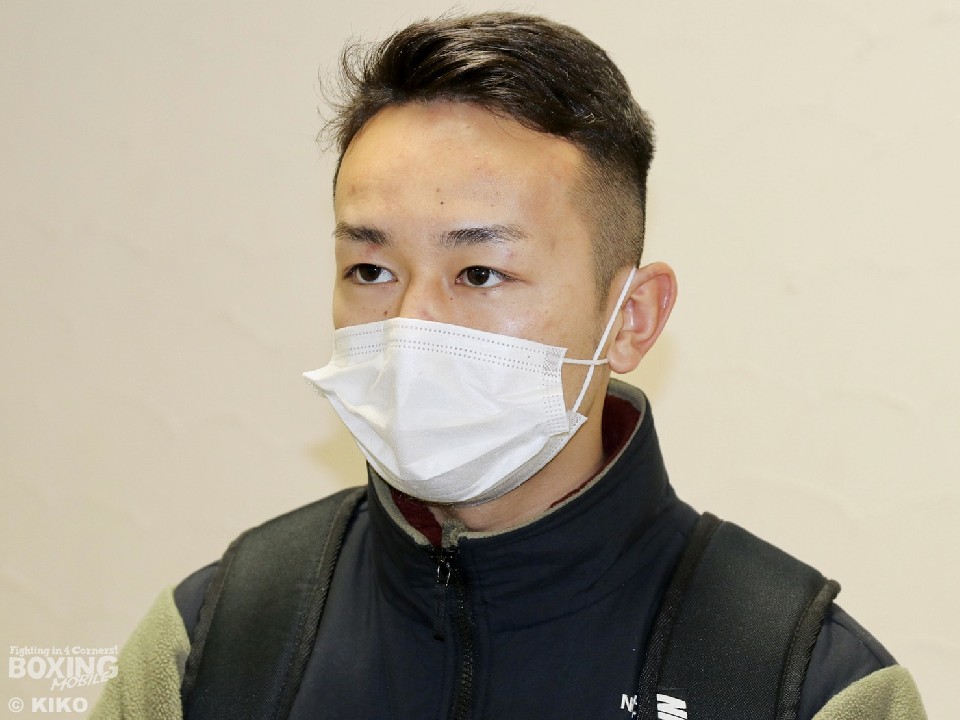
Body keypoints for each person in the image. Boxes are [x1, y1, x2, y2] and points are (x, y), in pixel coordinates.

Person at [93, 12, 926, 720]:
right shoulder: (212, 644)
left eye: (481, 273)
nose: (411, 323)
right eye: (370, 270)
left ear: (631, 319)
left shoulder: (800, 683)